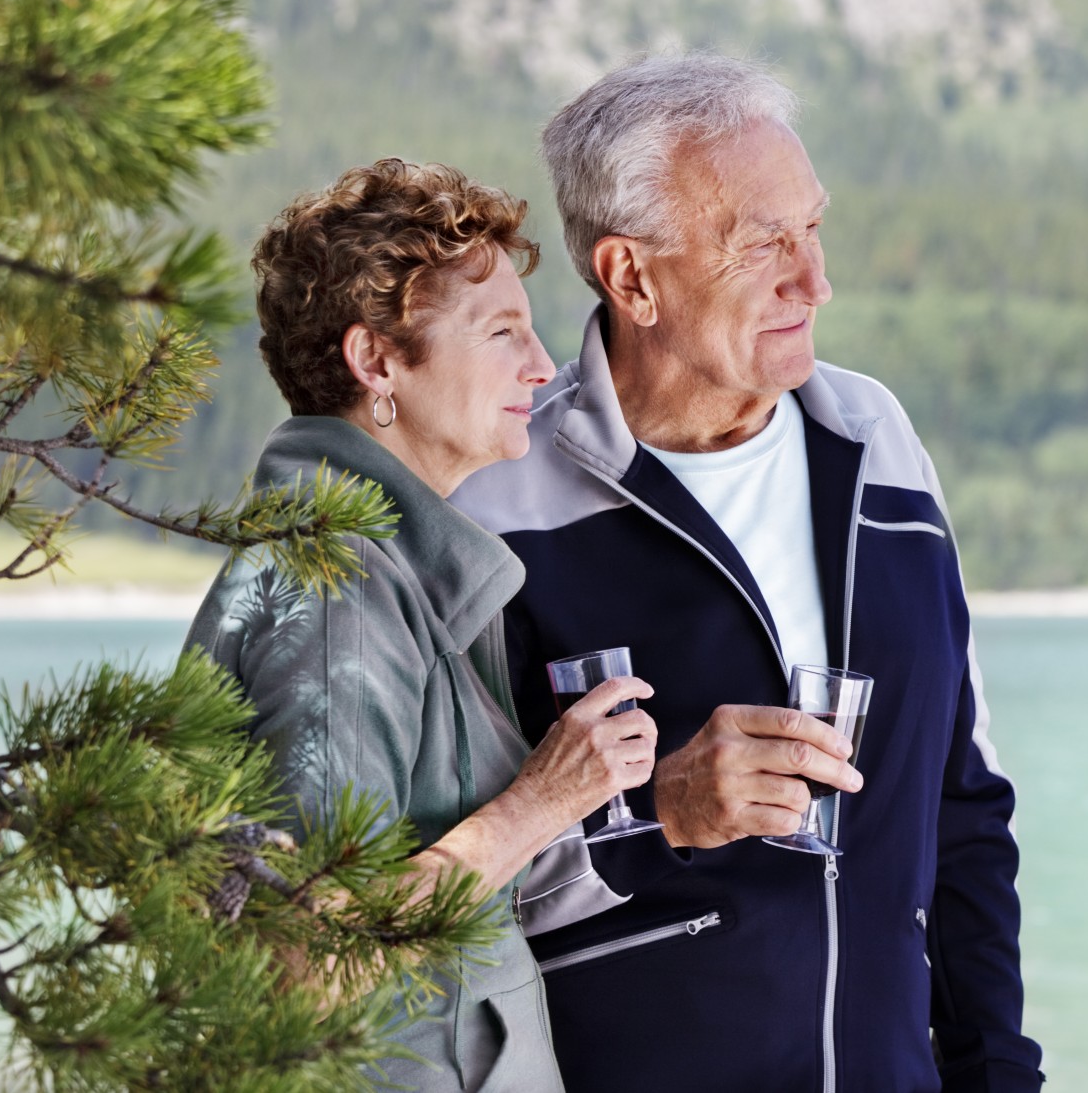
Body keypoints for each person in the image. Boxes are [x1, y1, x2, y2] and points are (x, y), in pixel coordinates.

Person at [452, 54, 1044, 1092]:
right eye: (761, 243)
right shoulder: (491, 505)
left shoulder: (877, 446)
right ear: (630, 276)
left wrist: (997, 1074)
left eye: (811, 229)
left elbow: (962, 809)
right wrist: (657, 812)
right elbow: (430, 884)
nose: (815, 282)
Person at [184, 160, 660, 1092]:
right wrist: (538, 804)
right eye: (501, 332)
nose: (542, 364)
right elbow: (301, 961)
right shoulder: (335, 598)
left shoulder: (382, 568)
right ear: (378, 362)